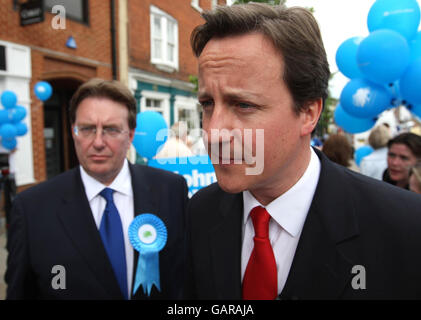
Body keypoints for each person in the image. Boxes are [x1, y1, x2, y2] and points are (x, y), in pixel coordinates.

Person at [185, 3, 421, 300]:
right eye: (207, 104)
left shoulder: (405, 227)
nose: (214, 131)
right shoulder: (199, 213)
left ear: (309, 112)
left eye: (243, 105)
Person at [5, 79, 188, 299]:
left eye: (111, 129)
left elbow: (184, 281)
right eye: (87, 129)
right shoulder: (32, 209)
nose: (98, 142)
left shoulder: (171, 190)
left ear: (130, 136)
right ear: (74, 132)